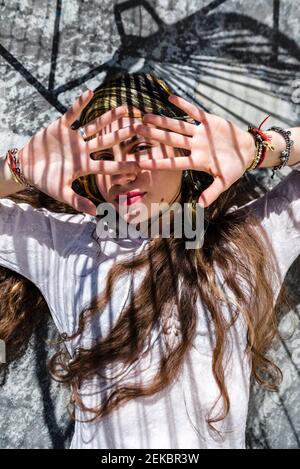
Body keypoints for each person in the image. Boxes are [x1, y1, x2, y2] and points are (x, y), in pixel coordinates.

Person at [0, 72, 300, 449]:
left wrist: (261, 149)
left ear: (184, 150)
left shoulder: (247, 240)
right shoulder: (67, 244)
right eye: (103, 157)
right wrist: (18, 169)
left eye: (140, 147)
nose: (123, 171)